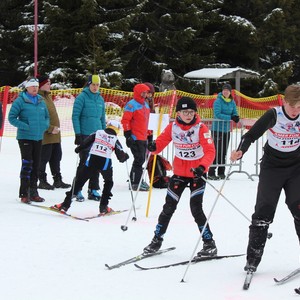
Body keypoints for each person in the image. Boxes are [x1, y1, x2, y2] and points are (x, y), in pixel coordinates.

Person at [230, 84, 300, 273]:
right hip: (272, 168)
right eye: (292, 106)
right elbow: (251, 135)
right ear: (284, 101)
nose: (295, 111)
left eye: (299, 106)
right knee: (263, 212)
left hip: (295, 169)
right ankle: (253, 260)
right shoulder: (274, 115)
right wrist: (240, 151)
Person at [143, 96, 217, 256]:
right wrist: (154, 146)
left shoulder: (201, 128)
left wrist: (202, 167)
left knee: (196, 208)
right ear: (178, 113)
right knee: (168, 208)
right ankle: (156, 241)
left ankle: (209, 243)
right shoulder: (173, 127)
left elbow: (211, 151)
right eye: (185, 112)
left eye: (191, 112)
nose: (189, 115)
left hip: (197, 174)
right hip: (179, 174)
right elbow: (161, 142)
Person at [52, 120, 129, 214]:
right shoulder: (115, 139)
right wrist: (125, 157)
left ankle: (65, 205)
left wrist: (78, 149)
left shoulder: (98, 132)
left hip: (92, 159)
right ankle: (103, 207)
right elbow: (121, 157)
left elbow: (86, 142)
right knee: (108, 182)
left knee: (79, 181)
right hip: (105, 162)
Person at [8, 77, 49, 203]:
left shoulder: (41, 101)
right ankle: (24, 193)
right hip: (25, 137)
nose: (35, 88)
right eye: (32, 86)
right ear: (27, 88)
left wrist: (45, 126)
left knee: (36, 165)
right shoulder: (20, 101)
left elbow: (47, 117)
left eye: (36, 86)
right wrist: (26, 126)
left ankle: (34, 192)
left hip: (38, 137)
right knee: (27, 164)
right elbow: (12, 118)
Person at [72, 74, 106, 201]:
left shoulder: (100, 99)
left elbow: (102, 118)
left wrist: (104, 133)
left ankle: (93, 189)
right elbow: (75, 116)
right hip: (86, 134)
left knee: (96, 162)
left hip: (98, 135)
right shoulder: (82, 97)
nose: (95, 87)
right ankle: (77, 189)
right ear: (89, 84)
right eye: (93, 84)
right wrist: (78, 134)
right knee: (84, 162)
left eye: (97, 85)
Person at [37, 75, 71, 190]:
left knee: (56, 157)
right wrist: (50, 128)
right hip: (46, 135)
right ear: (41, 86)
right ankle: (42, 180)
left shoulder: (48, 96)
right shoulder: (38, 98)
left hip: (55, 135)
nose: (49, 85)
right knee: (43, 158)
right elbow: (39, 118)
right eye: (47, 83)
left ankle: (57, 180)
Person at [121, 83, 152, 191]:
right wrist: (128, 134)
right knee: (139, 159)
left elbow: (147, 121)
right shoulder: (131, 105)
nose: (144, 95)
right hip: (135, 137)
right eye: (143, 92)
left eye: (146, 93)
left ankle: (135, 180)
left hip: (143, 137)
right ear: (138, 92)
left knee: (141, 159)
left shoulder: (146, 105)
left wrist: (149, 135)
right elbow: (125, 120)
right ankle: (135, 182)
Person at [208, 83, 239, 180]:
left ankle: (221, 172)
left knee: (223, 151)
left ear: (230, 92)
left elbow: (235, 112)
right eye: (224, 90)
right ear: (222, 91)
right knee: (216, 151)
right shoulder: (218, 101)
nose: (225, 92)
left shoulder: (232, 102)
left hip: (226, 130)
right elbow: (217, 114)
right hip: (217, 129)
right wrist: (230, 117)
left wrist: (236, 117)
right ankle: (211, 172)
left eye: (227, 90)